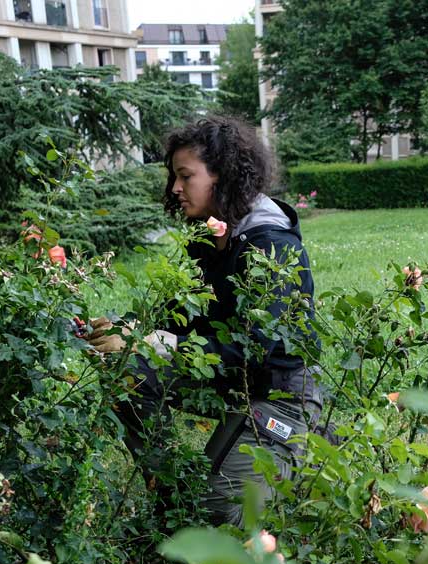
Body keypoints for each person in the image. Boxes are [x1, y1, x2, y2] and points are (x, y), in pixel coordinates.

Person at [87, 115, 327, 526]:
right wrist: (123, 329)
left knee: (214, 512)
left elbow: (256, 348)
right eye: (173, 177)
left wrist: (157, 343)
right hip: (230, 382)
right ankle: (170, 497)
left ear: (224, 176)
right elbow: (177, 318)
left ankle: (305, 439)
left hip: (278, 393)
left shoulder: (270, 244)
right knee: (125, 367)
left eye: (185, 176)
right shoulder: (210, 239)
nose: (175, 189)